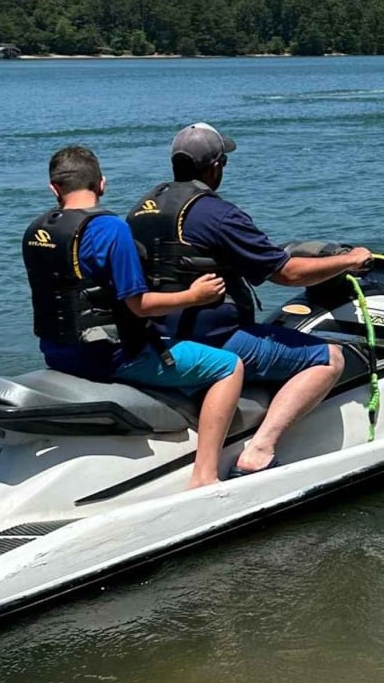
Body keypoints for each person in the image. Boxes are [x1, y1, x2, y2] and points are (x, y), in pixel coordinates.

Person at [128, 123, 373, 477]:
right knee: (329, 358)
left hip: (155, 335)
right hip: (214, 339)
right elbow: (285, 273)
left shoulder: (141, 209)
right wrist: (351, 259)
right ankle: (260, 449)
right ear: (216, 167)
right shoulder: (217, 213)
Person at [23, 145, 244, 489]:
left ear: (54, 189)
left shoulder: (38, 233)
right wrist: (194, 296)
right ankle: (204, 476)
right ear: (102, 184)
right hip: (110, 358)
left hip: (58, 353)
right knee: (229, 366)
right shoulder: (110, 230)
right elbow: (139, 305)